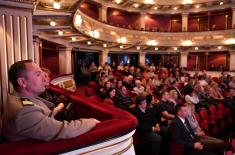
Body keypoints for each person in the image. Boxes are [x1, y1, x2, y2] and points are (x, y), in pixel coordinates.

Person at [2, 60, 99, 142]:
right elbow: (64, 130)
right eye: (38, 75)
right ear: (22, 82)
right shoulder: (24, 111)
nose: (45, 79)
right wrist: (91, 122)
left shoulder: (19, 97)